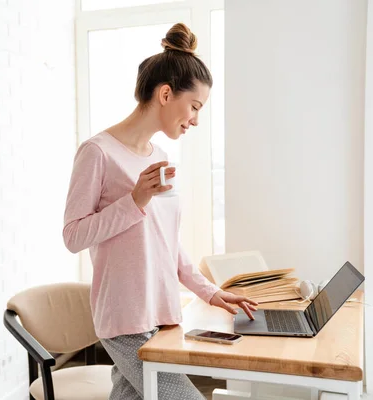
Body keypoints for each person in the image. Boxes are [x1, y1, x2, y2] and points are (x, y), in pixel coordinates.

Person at [62, 22, 258, 399]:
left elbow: (167, 243)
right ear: (166, 94)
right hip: (125, 319)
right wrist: (134, 201)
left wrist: (211, 292)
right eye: (194, 107)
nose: (196, 119)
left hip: (163, 314)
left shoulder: (161, 157)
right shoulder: (97, 153)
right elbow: (73, 236)